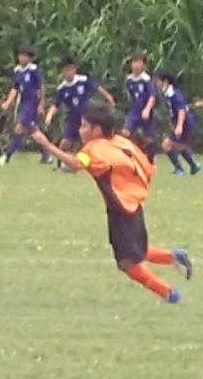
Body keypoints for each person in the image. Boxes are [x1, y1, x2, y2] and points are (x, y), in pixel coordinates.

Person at [31, 103, 192, 303]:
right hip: (132, 204)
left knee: (127, 263)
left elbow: (76, 163)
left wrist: (47, 145)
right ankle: (173, 257)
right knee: (137, 250)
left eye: (84, 126)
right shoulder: (121, 142)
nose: (80, 130)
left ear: (97, 130)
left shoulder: (93, 149)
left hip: (121, 209)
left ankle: (168, 293)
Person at [42, 56, 114, 166]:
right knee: (65, 142)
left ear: (75, 69)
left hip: (87, 116)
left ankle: (99, 159)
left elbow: (97, 87)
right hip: (73, 117)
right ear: (62, 71)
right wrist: (49, 115)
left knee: (93, 141)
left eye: (71, 69)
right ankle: (60, 162)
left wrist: (108, 96)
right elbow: (56, 104)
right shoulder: (62, 88)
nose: (69, 72)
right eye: (66, 70)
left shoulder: (83, 80)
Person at [0, 46, 46, 164]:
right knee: (33, 130)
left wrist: (41, 104)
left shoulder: (34, 70)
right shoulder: (18, 71)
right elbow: (15, 88)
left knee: (19, 128)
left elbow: (42, 86)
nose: (21, 58)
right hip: (24, 103)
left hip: (32, 102)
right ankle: (46, 154)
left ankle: (7, 155)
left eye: (24, 56)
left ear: (30, 58)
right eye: (20, 55)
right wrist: (8, 102)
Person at [157, 71, 200, 176]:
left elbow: (181, 110)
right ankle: (193, 166)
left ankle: (181, 169)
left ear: (165, 81)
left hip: (185, 122)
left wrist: (179, 126)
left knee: (167, 144)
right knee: (178, 146)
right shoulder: (167, 93)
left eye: (158, 81)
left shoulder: (173, 94)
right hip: (181, 122)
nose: (157, 83)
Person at [122, 52, 159, 162]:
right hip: (134, 111)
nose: (136, 65)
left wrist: (147, 109)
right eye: (134, 62)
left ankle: (150, 161)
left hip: (146, 111)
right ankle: (129, 157)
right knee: (125, 133)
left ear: (144, 65)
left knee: (149, 138)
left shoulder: (146, 79)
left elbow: (152, 96)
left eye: (139, 62)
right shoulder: (129, 79)